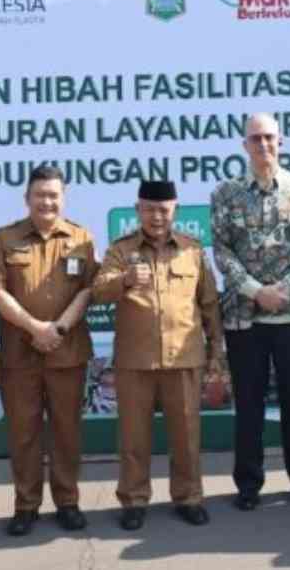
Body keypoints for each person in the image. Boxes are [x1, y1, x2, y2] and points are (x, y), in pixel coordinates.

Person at [92, 180, 224, 530]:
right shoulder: (120, 250)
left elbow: (209, 304)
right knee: (134, 438)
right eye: (149, 209)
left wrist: (216, 353)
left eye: (163, 210)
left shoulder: (192, 250)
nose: (156, 216)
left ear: (174, 210)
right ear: (138, 210)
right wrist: (124, 280)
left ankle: (189, 497)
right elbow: (98, 292)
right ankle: (134, 500)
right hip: (135, 361)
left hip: (184, 358)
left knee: (186, 436)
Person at [210, 113, 290, 510]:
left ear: (281, 142)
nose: (263, 145)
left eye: (269, 138)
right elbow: (222, 250)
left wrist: (284, 290)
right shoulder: (225, 194)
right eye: (255, 138)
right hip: (245, 318)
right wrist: (256, 291)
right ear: (245, 145)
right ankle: (248, 483)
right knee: (249, 405)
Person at [0, 165, 96, 535]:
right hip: (20, 355)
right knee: (23, 433)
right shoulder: (4, 238)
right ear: (27, 198)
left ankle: (67, 502)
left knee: (66, 432)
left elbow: (87, 290)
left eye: (53, 195)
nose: (47, 202)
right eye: (39, 195)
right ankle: (26, 505)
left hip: (67, 352)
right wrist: (35, 328)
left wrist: (58, 329)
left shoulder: (81, 238)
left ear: (63, 198)